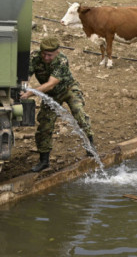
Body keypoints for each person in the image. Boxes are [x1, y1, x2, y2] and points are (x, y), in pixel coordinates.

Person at [20, 37, 94, 172]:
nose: (46, 57)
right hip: (51, 95)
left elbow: (51, 84)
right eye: (44, 54)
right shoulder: (35, 57)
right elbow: (25, 75)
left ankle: (91, 148)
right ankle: (44, 161)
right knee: (44, 125)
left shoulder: (62, 60)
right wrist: (24, 85)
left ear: (57, 52)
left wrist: (29, 93)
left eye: (50, 55)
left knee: (79, 114)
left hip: (68, 90)